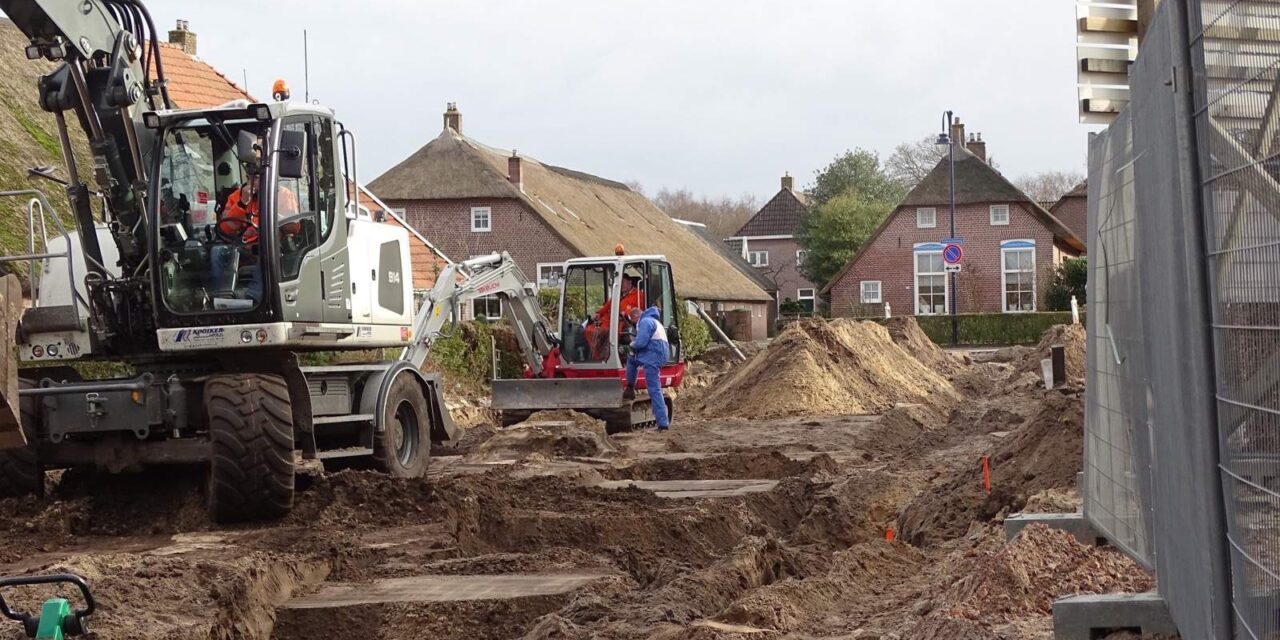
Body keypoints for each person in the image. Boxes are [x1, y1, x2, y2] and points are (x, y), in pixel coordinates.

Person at [210, 137, 300, 303]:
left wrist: (272, 218)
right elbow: (226, 228)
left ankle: (255, 298)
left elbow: (293, 227)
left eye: (259, 177)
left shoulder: (283, 196)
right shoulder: (237, 196)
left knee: (266, 251)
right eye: (252, 177)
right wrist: (243, 203)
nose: (255, 181)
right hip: (242, 246)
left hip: (270, 245)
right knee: (217, 251)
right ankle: (220, 296)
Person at [622, 305, 671, 431]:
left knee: (654, 388)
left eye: (632, 321)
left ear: (635, 317)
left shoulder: (645, 322)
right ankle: (630, 388)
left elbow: (641, 343)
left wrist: (630, 345)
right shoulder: (652, 320)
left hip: (653, 355)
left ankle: (663, 424)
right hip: (655, 353)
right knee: (632, 360)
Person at [585, 275, 641, 360]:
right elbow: (606, 307)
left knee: (599, 332)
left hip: (619, 324)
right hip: (608, 321)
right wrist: (598, 314)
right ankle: (597, 356)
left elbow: (634, 312)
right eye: (619, 283)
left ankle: (601, 357)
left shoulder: (638, 295)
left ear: (630, 282)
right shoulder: (618, 295)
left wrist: (624, 314)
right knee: (589, 330)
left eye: (622, 282)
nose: (621, 285)